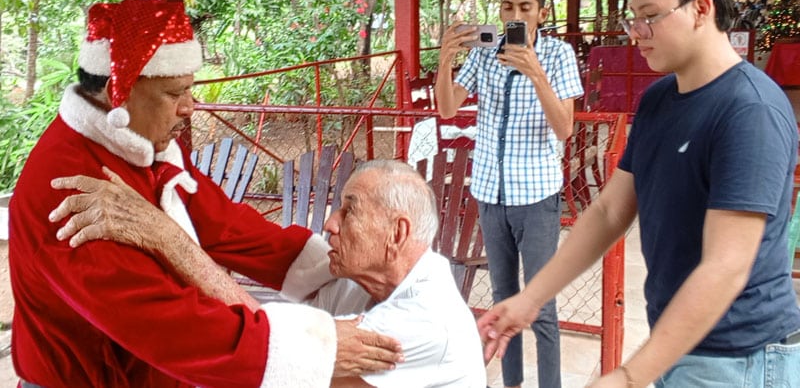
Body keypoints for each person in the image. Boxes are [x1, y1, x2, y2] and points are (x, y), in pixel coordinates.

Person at [8, 0, 401, 388]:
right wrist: (319, 352)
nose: (189, 108)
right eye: (174, 93)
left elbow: (229, 228)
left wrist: (353, 271)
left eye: (191, 91)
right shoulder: (69, 188)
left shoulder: (143, 147)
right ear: (118, 91)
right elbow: (167, 327)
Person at [478, 0, 800, 387]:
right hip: (677, 341)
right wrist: (531, 298)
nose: (636, 32)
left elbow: (726, 266)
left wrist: (630, 376)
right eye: (635, 18)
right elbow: (611, 210)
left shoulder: (749, 110)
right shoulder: (658, 100)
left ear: (701, 8)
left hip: (740, 357)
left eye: (650, 17)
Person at [50, 160, 487, 387]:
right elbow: (273, 330)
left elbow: (279, 357)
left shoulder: (425, 319)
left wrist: (164, 237)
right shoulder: (357, 285)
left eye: (349, 211)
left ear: (398, 232)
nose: (330, 224)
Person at [434, 0, 584, 388]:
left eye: (524, 7)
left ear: (541, 12)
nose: (515, 14)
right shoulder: (484, 53)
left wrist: (535, 72)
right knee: (503, 301)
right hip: (489, 194)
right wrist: (446, 59)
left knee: (542, 305)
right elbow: (447, 109)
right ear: (499, 9)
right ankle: (512, 383)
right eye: (507, 6)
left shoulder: (557, 55)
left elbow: (564, 128)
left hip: (536, 197)